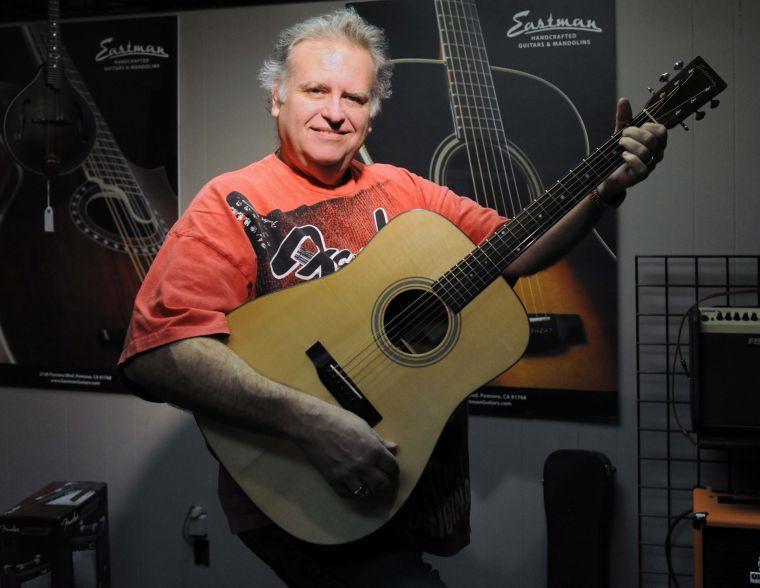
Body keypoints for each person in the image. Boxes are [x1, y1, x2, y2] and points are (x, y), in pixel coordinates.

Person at [119, 8, 666, 587]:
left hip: (413, 480)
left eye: (354, 98)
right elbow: (160, 353)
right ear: (276, 97)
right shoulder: (230, 202)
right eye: (315, 90)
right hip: (301, 487)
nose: (334, 112)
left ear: (372, 115)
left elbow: (515, 249)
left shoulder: (405, 190)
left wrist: (603, 193)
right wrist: (312, 423)